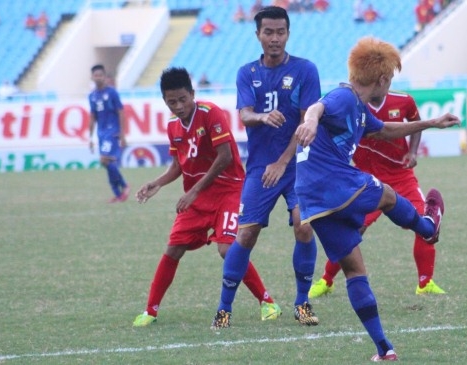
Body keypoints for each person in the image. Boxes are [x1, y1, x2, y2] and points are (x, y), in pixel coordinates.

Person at [293, 36, 459, 360]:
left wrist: (431, 123)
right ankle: (427, 227)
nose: (390, 85)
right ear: (382, 79)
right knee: (386, 193)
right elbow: (318, 107)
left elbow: (386, 130)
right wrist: (310, 121)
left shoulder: (360, 108)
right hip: (331, 182)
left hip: (313, 200)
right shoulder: (344, 97)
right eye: (391, 79)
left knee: (355, 270)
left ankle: (384, 349)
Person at [132, 67, 280, 327]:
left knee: (227, 250)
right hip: (197, 198)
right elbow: (178, 165)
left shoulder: (211, 114)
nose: (178, 106)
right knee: (173, 249)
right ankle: (150, 311)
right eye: (171, 102)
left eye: (182, 99)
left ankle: (267, 302)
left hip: (229, 191)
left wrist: (194, 191)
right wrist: (157, 183)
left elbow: (224, 158)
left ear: (192, 94)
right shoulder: (172, 127)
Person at [210, 6, 321, 330]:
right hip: (260, 168)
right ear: (257, 34)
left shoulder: (305, 70)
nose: (275, 38)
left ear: (288, 34)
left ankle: (302, 303)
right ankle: (223, 308)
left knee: (303, 226)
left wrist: (284, 161)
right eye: (268, 32)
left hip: (297, 165)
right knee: (245, 234)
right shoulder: (247, 73)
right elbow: (244, 114)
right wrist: (261, 117)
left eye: (280, 32)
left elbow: (305, 123)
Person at [308, 89, 446, 299]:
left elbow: (415, 124)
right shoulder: (351, 104)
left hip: (401, 176)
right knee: (355, 229)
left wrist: (413, 152)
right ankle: (327, 280)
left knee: (422, 222)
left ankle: (425, 283)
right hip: (366, 178)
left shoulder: (403, 100)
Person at [88, 64, 130, 203]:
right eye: (96, 75)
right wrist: (90, 137)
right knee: (108, 164)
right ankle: (118, 194)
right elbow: (93, 116)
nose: (98, 77)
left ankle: (124, 186)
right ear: (92, 77)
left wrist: (123, 134)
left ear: (104, 77)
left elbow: (121, 112)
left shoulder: (112, 93)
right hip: (101, 133)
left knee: (104, 160)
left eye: (100, 75)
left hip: (112, 132)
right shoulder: (92, 96)